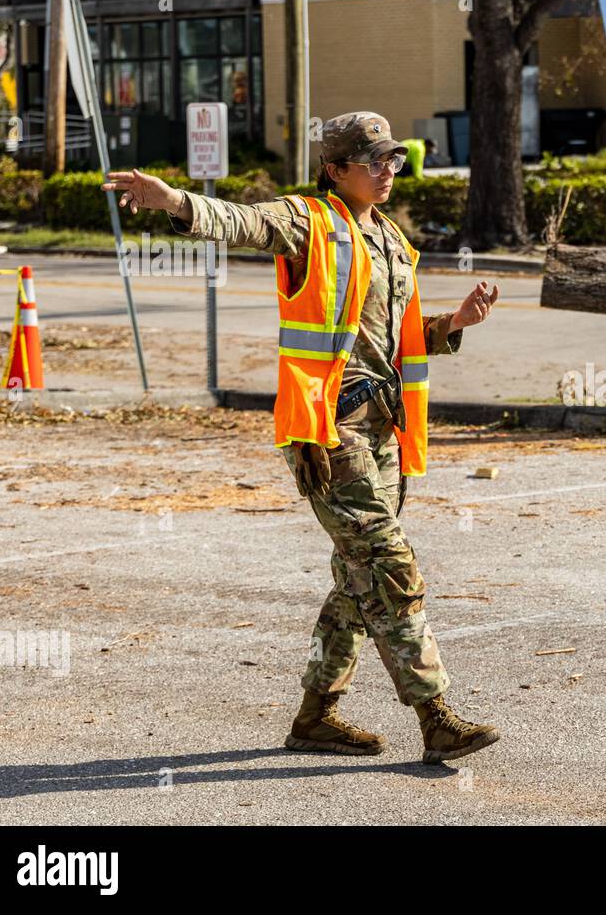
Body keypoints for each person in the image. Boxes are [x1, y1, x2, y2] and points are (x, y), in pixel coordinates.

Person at [102, 112, 502, 765]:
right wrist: (175, 201)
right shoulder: (308, 222)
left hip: (383, 434)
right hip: (328, 433)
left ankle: (315, 717)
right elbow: (243, 222)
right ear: (335, 169)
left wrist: (455, 321)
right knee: (390, 567)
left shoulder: (394, 243)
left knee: (355, 581)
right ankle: (435, 718)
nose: (386, 173)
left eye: (393, 161)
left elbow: (396, 341)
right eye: (373, 162)